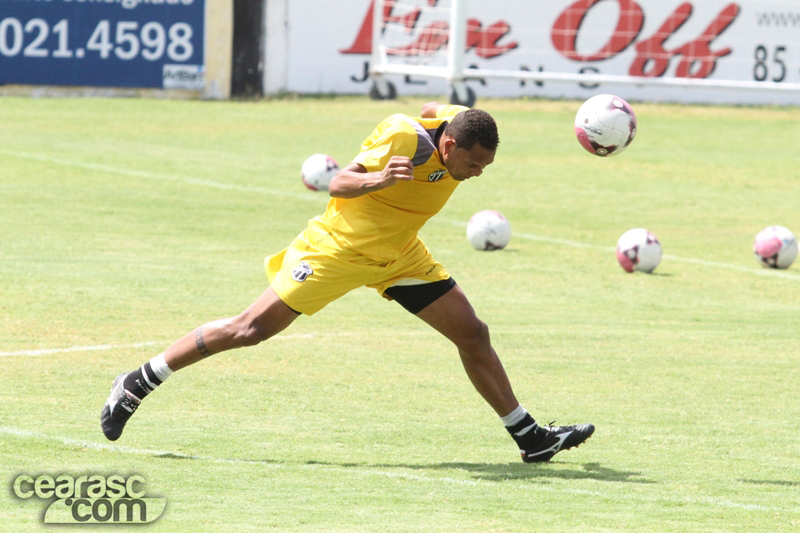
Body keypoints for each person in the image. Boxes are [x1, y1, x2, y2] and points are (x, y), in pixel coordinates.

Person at [101, 102, 594, 463]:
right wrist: (377, 181)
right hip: (337, 250)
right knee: (249, 329)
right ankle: (138, 381)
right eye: (471, 164)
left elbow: (431, 108)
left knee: (473, 333)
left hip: (399, 254)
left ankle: (529, 437)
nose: (476, 175)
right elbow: (337, 182)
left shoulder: (456, 123)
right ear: (448, 145)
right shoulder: (404, 140)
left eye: (484, 168)